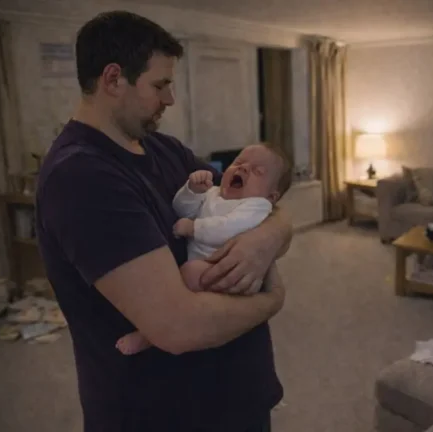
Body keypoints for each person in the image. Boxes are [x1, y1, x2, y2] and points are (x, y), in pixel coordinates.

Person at [34, 10, 291, 432]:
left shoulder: (164, 149)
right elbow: (178, 327)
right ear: (113, 79)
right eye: (160, 85)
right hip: (164, 413)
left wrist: (268, 237)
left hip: (236, 396)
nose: (170, 99)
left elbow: (260, 200)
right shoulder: (81, 176)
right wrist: (272, 300)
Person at [116, 143, 293, 355]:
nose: (243, 168)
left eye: (257, 171)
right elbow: (182, 210)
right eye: (238, 162)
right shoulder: (214, 193)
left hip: (228, 272)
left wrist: (194, 228)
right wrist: (192, 191)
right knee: (184, 277)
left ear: (271, 197)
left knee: (189, 273)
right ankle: (156, 329)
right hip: (208, 266)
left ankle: (148, 335)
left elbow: (228, 228)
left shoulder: (256, 206)